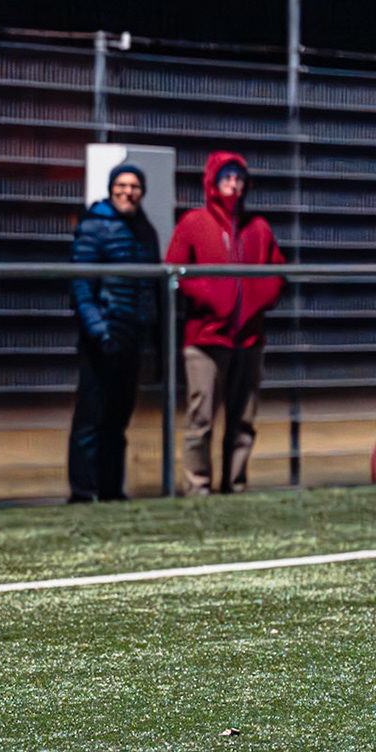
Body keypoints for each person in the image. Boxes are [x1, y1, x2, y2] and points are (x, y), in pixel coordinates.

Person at [165, 150, 286, 494]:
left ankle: (235, 484)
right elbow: (176, 270)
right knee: (200, 419)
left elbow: (277, 273)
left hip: (248, 339)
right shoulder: (193, 223)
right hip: (205, 339)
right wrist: (214, 299)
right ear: (213, 182)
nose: (233, 184)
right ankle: (197, 487)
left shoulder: (259, 228)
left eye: (238, 178)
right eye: (226, 177)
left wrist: (255, 301)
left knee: (243, 420)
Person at [67, 164, 160, 503]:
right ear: (111, 188)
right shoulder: (95, 225)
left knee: (118, 418)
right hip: (104, 336)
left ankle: (111, 488)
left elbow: (151, 285)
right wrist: (98, 330)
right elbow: (82, 285)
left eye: (134, 186)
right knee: (91, 417)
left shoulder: (144, 229)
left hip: (131, 335)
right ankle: (82, 491)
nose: (128, 191)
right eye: (121, 185)